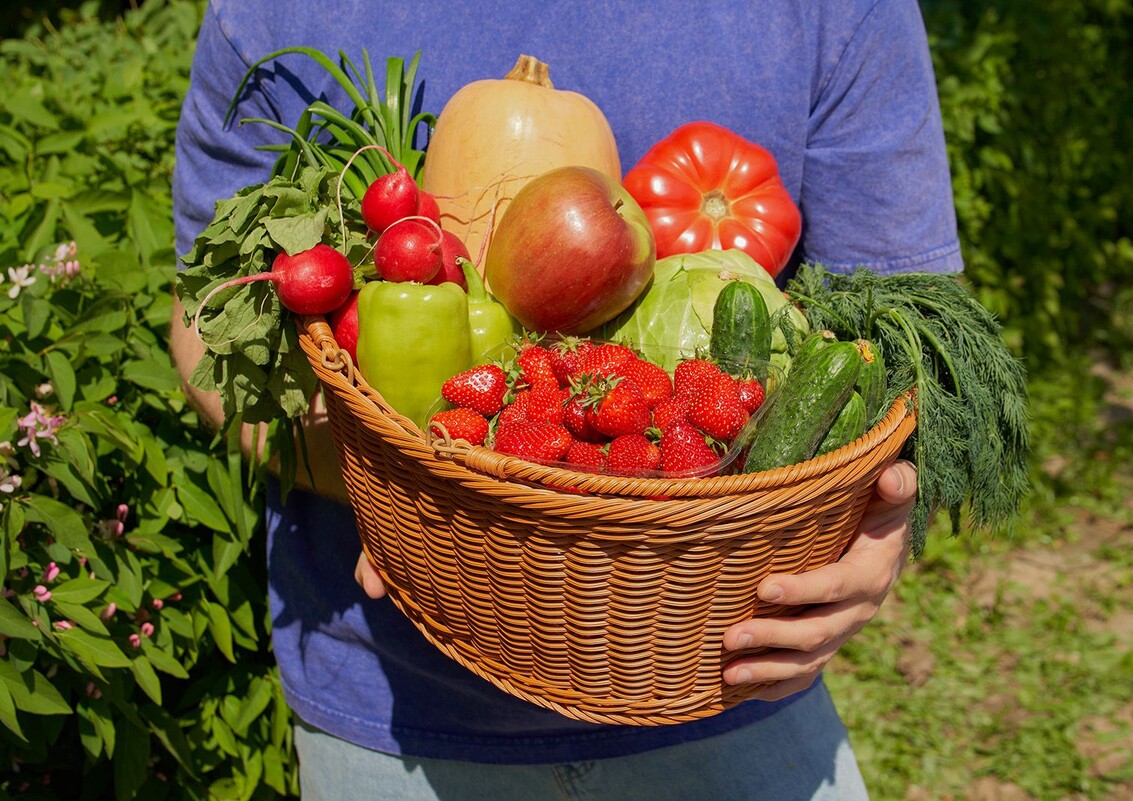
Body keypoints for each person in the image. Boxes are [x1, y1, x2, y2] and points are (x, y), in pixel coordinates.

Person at [170, 1, 962, 798]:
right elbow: (208, 331)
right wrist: (405, 488)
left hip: (728, 668)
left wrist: (871, 530)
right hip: (392, 696)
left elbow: (907, 334)